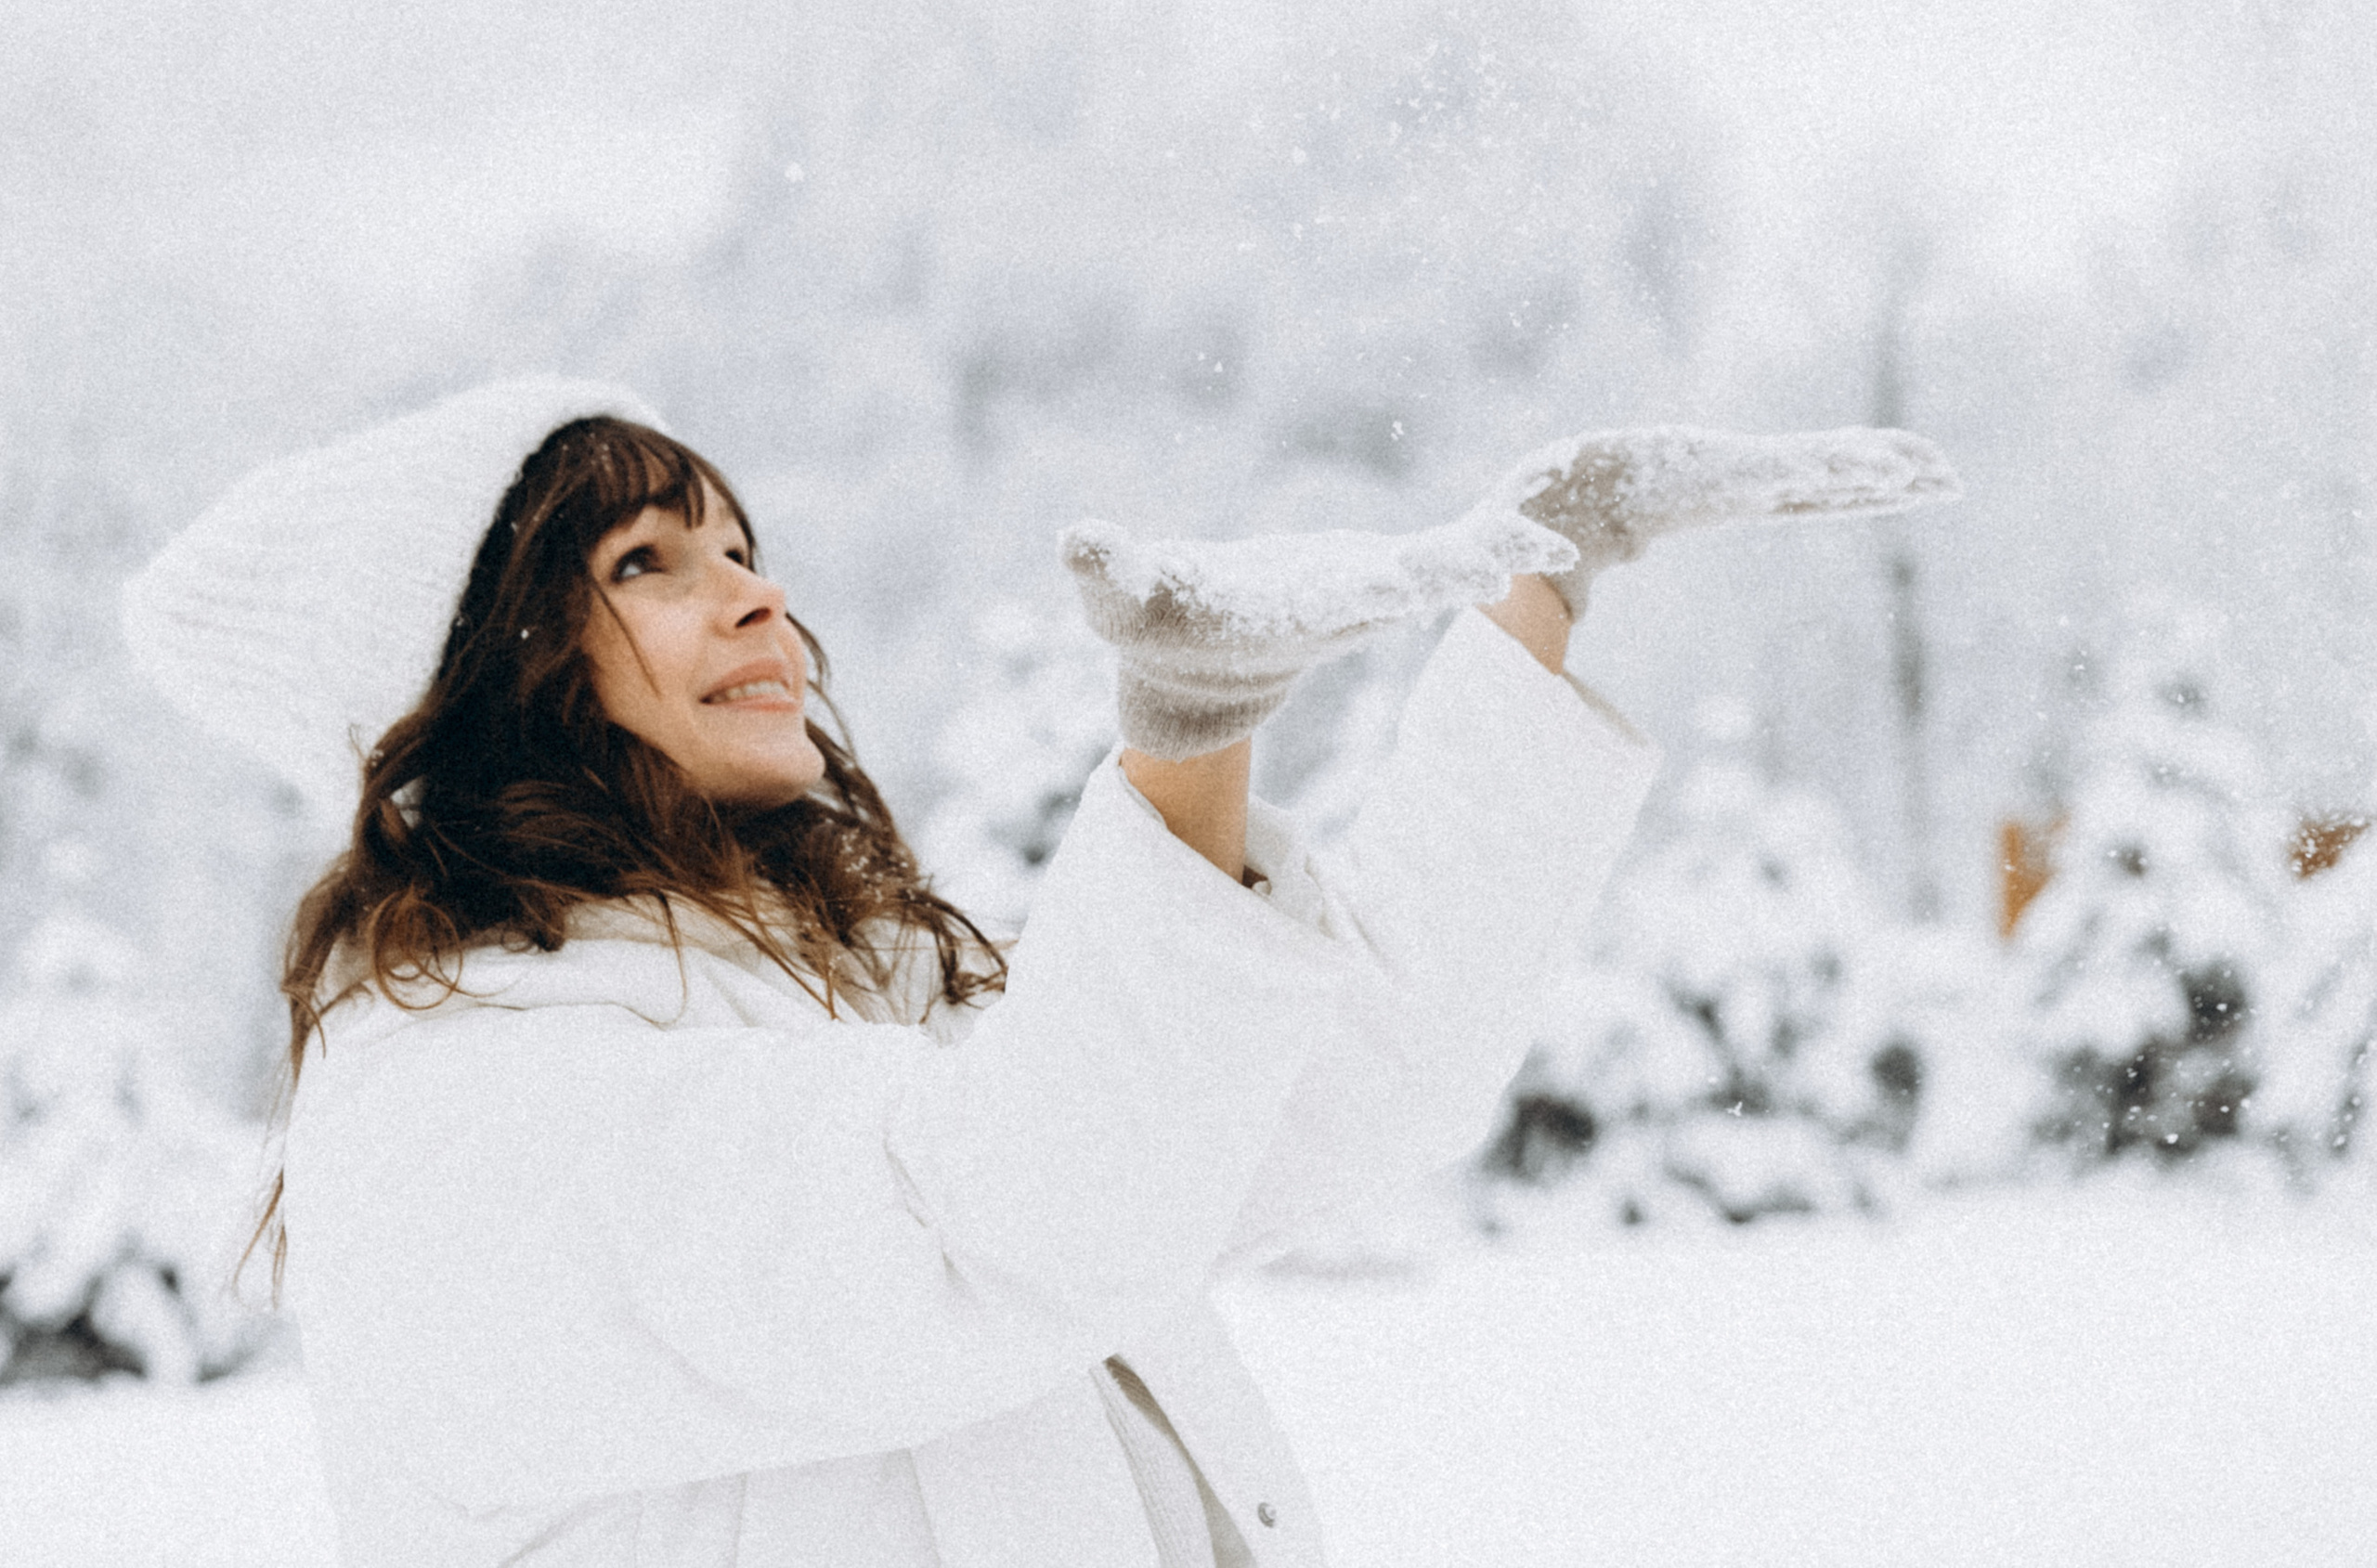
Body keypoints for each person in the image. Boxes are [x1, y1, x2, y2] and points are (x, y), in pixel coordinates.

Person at [123, 374, 1956, 1568]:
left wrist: (1535, 599)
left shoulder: (832, 1008)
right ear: (481, 670)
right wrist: (1186, 743)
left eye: (746, 547)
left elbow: (1314, 1086)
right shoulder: (464, 1106)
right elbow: (994, 1221)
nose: (757, 595)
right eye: (648, 559)